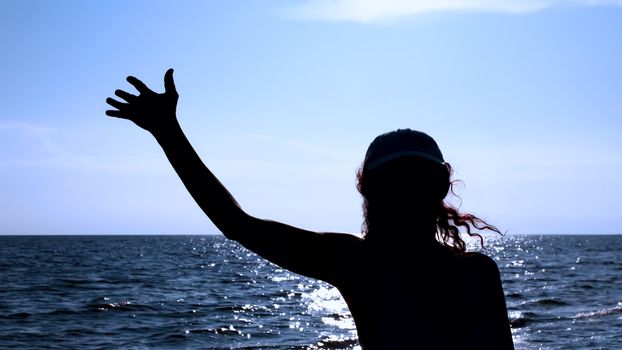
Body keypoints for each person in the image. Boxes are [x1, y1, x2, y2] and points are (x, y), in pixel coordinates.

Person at [106, 69, 515, 349]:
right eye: (399, 179)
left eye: (414, 179)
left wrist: (167, 133)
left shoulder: (357, 261)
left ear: (364, 188)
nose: (407, 191)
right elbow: (235, 223)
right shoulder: (472, 272)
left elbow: (235, 223)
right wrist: (167, 132)